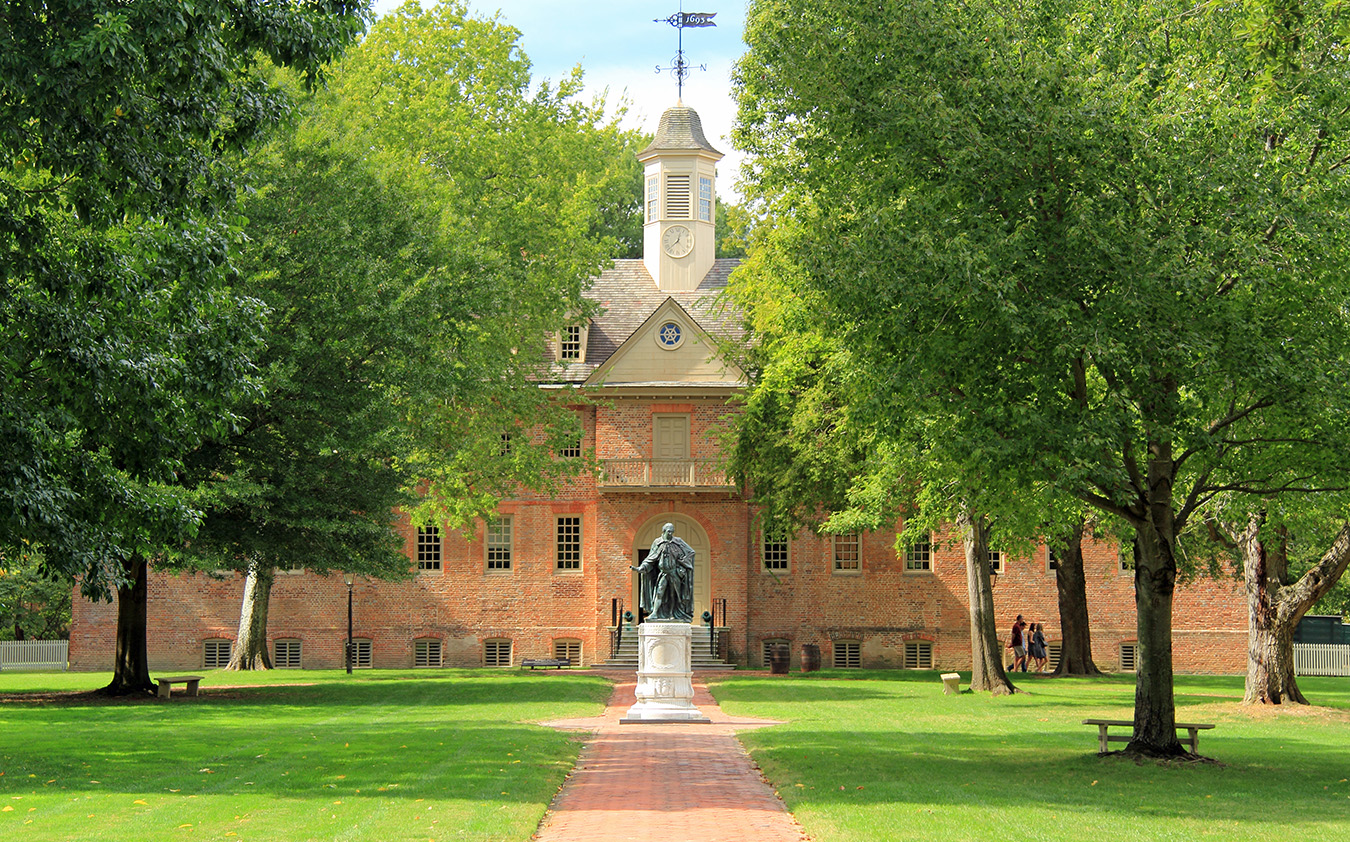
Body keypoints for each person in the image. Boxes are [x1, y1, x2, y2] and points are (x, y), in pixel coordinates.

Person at [632, 523, 695, 622]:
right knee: (659, 592)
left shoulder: (678, 542)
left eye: (672, 531)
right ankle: (655, 613)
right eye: (669, 531)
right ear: (664, 531)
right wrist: (641, 568)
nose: (671, 533)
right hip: (664, 573)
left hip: (674, 573)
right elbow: (650, 558)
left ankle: (672, 614)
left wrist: (682, 562)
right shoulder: (658, 543)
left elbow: (691, 552)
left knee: (674, 595)